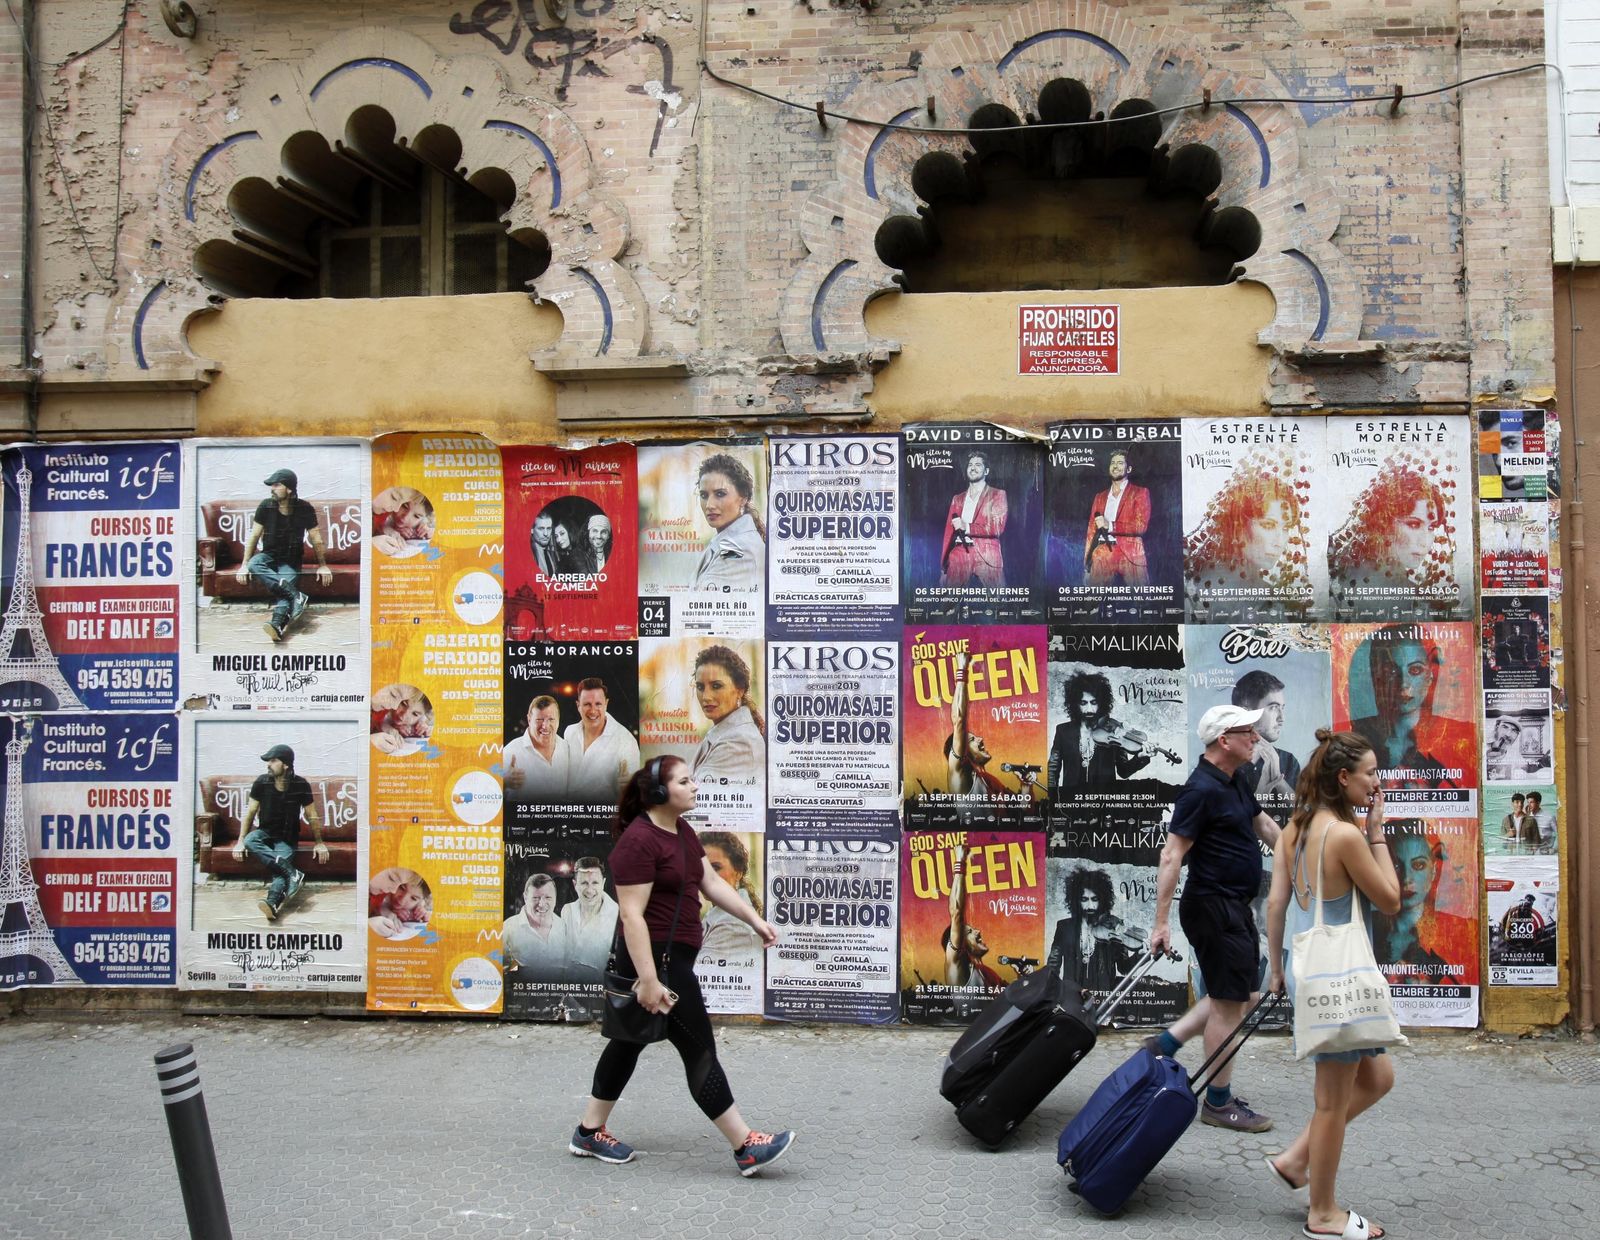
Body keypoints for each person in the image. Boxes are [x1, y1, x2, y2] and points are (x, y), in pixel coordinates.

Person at [569, 758, 793, 1174]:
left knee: (627, 1043)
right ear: (659, 792)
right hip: (657, 964)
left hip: (670, 961)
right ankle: (745, 1144)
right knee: (699, 1051)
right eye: (684, 781)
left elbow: (709, 883)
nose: (695, 786)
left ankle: (588, 1131)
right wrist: (650, 980)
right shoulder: (639, 842)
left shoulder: (682, 832)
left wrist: (755, 919)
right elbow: (632, 916)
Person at [1264, 729, 1401, 1240]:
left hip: (1306, 969)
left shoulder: (1293, 830)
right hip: (1336, 980)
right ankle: (1322, 1212)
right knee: (1330, 1102)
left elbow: (1275, 905)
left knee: (1378, 1077)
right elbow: (1389, 899)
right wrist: (1378, 832)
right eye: (1369, 773)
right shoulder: (1344, 836)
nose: (1376, 782)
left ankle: (1297, 1160)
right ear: (1343, 778)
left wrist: (1277, 971)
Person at [1149, 704, 1283, 1132]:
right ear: (1224, 741)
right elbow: (1172, 855)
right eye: (1248, 732)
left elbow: (1264, 827)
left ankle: (1164, 1044)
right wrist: (1161, 922)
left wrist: (1301, 861)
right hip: (1212, 906)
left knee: (1240, 995)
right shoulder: (1199, 790)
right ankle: (1218, 1104)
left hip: (1234, 906)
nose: (1256, 738)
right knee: (1230, 1005)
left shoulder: (1236, 779)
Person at [1328, 463, 1458, 618]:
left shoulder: (1422, 602)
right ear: (1383, 523)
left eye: (1431, 528)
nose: (1425, 541)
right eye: (1414, 524)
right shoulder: (1334, 581)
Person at [1184, 462, 1311, 619]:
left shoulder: (1275, 597)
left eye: (1285, 529)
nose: (1279, 542)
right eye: (1268, 525)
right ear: (1238, 524)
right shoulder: (1196, 588)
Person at [1347, 635, 1475, 789]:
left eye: (1415, 670)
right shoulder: (1355, 736)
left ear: (1430, 677)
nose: (1403, 684)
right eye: (1392, 671)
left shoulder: (1460, 737)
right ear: (1378, 678)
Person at [231, 744, 330, 922]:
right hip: (264, 833)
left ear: (286, 765)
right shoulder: (262, 782)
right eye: (268, 761)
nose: (268, 764)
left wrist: (319, 842)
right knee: (251, 839)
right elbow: (250, 812)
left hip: (286, 838)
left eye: (273, 760)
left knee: (279, 872)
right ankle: (292, 872)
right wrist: (240, 840)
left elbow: (312, 815)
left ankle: (272, 903)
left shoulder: (300, 784)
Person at [235, 468, 333, 642]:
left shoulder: (304, 508)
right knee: (254, 564)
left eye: (276, 485)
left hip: (290, 560)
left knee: (284, 587)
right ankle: (296, 596)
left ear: (289, 488)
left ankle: (277, 625)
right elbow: (254, 536)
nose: (272, 489)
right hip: (268, 556)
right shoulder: (266, 506)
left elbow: (316, 538)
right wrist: (243, 565)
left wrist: (323, 565)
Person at [1371, 830, 1475, 980]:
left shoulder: (1460, 934)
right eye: (1396, 865)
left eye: (1419, 865)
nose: (1407, 878)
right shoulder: (1365, 927)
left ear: (1433, 871)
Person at [1048, 670, 1153, 799]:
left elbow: (1124, 771)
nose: (1089, 709)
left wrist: (1140, 757)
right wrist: (1053, 797)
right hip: (1071, 803)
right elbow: (1053, 768)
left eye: (1094, 702)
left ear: (1102, 703)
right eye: (1083, 703)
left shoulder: (1114, 732)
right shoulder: (1063, 731)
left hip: (1104, 804)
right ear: (1075, 704)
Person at [945, 649, 1023, 803]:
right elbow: (959, 718)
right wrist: (962, 670)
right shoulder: (959, 775)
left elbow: (1024, 811)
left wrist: (1026, 785)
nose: (980, 739)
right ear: (962, 750)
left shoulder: (990, 781)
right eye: (972, 739)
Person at [1050, 866, 1145, 990]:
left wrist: (1140, 956)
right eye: (1084, 900)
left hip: (1104, 998)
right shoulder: (1064, 927)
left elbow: (1124, 968)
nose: (1090, 906)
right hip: (1072, 998)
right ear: (1075, 901)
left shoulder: (1114, 926)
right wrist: (1054, 995)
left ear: (1103, 900)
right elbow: (1052, 967)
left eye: (1095, 900)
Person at [690, 647, 766, 786]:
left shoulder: (738, 743)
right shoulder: (723, 733)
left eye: (716, 686)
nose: (706, 697)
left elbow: (700, 804)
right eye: (700, 687)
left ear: (740, 690)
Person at [562, 678, 642, 804]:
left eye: (598, 704)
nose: (593, 710)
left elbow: (632, 797)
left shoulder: (626, 741)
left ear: (606, 704)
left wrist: (628, 789)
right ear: (578, 706)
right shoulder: (569, 732)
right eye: (587, 704)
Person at [693, 454, 765, 592]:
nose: (709, 505)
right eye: (704, 495)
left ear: (743, 497)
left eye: (720, 494)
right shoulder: (726, 541)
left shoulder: (740, 549)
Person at [940, 451, 1008, 587]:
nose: (973, 467)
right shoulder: (957, 499)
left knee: (999, 602)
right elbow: (948, 533)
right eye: (970, 465)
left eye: (978, 465)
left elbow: (997, 527)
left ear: (986, 471)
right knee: (948, 602)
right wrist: (943, 566)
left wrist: (967, 526)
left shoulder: (997, 494)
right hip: (958, 554)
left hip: (987, 555)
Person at [1083, 450, 1150, 586]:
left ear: (1129, 469)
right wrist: (1086, 564)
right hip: (1102, 553)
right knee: (1093, 601)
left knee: (1141, 601)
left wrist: (1111, 525)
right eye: (1113, 463)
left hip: (1131, 554)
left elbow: (1141, 526)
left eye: (1120, 463)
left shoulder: (1140, 492)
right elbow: (1091, 531)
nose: (1115, 466)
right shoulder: (1099, 497)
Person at [944, 844, 1005, 993]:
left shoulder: (987, 973)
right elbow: (957, 911)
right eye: (970, 931)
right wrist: (960, 861)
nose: (978, 931)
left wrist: (1023, 975)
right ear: (960, 941)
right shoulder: (957, 966)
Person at [1234, 670, 1299, 805]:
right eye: (1273, 708)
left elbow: (1306, 818)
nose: (1282, 718)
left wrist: (1279, 781)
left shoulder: (1288, 761)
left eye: (1282, 708)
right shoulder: (1219, 764)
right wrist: (1262, 792)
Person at [699, 832, 764, 956]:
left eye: (715, 868)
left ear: (738, 872)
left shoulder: (732, 924)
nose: (705, 876)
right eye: (700, 867)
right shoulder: (719, 913)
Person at [559, 856, 619, 981]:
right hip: (568, 991)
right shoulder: (567, 911)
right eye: (584, 883)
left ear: (603, 883)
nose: (590, 890)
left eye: (595, 883)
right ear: (575, 884)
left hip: (601, 991)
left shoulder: (618, 915)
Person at [504, 695, 570, 800]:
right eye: (539, 719)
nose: (545, 725)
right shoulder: (511, 751)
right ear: (529, 719)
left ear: (558, 720)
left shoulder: (567, 748)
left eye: (551, 719)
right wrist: (504, 782)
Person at [503, 873, 569, 977]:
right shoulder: (508, 927)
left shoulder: (565, 927)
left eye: (548, 897)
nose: (542, 904)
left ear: (555, 898)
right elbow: (500, 968)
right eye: (536, 898)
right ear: (525, 897)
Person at [368, 866, 432, 939]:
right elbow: (380, 905)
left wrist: (420, 913)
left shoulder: (418, 906)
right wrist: (386, 910)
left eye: (413, 898)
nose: (402, 900)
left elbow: (424, 905)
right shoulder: (381, 890)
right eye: (401, 888)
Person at [369, 684, 433, 755]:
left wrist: (423, 723)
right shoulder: (383, 707)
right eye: (403, 704)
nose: (403, 716)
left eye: (415, 714)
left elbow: (425, 717)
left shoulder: (419, 722)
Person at [372, 485, 435, 557]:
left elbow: (428, 521)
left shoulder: (422, 523)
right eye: (404, 506)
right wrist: (389, 529)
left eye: (416, 516)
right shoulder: (385, 509)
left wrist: (428, 530)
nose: (405, 518)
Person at [1484, 716, 1523, 782]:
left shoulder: (1515, 754)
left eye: (1514, 731)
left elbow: (1527, 767)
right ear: (1496, 727)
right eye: (1505, 727)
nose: (1508, 734)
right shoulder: (1483, 747)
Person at [531, 511, 561, 577]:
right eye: (541, 529)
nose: (546, 534)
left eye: (549, 528)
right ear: (532, 530)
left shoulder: (552, 553)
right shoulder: (529, 553)